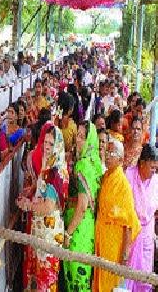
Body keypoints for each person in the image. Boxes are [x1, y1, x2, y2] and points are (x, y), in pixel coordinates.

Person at [18, 122, 68, 291]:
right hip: (41, 230)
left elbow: (48, 206)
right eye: (45, 142)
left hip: (49, 233)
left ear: (58, 145)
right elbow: (43, 190)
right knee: (38, 278)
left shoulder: (55, 171)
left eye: (51, 144)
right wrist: (30, 191)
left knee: (45, 281)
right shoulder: (49, 166)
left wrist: (28, 205)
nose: (46, 147)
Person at [94, 138, 141, 292]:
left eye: (112, 153)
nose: (107, 155)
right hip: (103, 241)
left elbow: (129, 223)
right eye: (107, 151)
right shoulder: (107, 177)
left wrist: (125, 256)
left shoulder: (123, 185)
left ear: (121, 159)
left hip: (115, 249)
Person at [63, 122, 103, 291]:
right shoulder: (95, 162)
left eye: (82, 136)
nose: (77, 140)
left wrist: (68, 233)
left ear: (90, 140)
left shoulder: (83, 165)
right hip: (88, 228)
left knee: (77, 280)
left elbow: (82, 207)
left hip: (78, 230)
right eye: (77, 135)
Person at [125, 145, 158, 291]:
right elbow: (126, 205)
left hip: (146, 237)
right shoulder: (129, 175)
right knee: (127, 276)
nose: (153, 172)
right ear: (142, 163)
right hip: (130, 233)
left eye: (155, 168)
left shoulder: (156, 181)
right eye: (151, 168)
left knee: (144, 279)